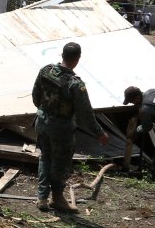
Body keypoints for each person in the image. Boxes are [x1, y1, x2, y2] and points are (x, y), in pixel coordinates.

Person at [31, 42, 109, 212]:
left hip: (42, 122)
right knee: (61, 164)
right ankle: (57, 198)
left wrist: (45, 111)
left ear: (62, 55)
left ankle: (42, 198)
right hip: (62, 129)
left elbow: (36, 96)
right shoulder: (75, 84)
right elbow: (85, 113)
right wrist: (99, 133)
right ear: (77, 58)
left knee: (45, 158)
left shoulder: (46, 71)